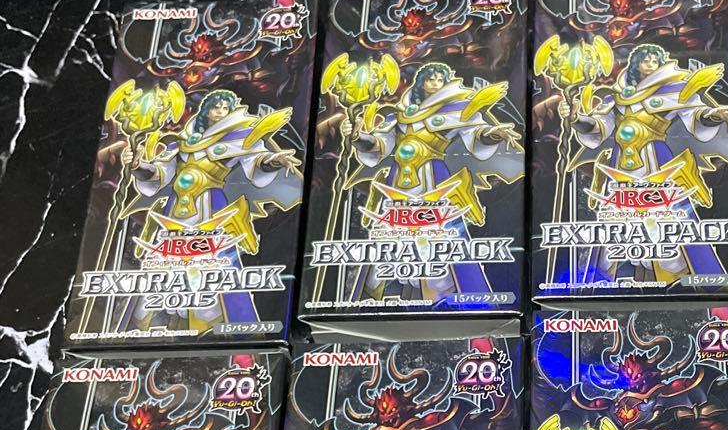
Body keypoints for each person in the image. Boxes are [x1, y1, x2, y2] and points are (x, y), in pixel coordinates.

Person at [558, 43, 728, 285]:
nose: (650, 64)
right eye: (645, 60)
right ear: (635, 65)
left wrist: (713, 116)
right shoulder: (617, 95)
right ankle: (607, 284)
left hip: (657, 163)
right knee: (614, 227)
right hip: (620, 167)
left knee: (668, 225)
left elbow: (695, 115)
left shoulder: (674, 90)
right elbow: (598, 128)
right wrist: (575, 119)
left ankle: (677, 283)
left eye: (654, 60)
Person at [120, 88, 302, 332]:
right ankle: (154, 323)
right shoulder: (183, 141)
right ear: (206, 110)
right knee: (163, 264)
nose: (221, 112)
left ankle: (214, 325)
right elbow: (159, 175)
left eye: (226, 108)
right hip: (175, 210)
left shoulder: (236, 138)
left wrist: (274, 161)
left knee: (213, 265)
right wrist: (137, 166)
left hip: (210, 208)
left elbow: (256, 161)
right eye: (217, 107)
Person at [340, 62, 522, 303]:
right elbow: (378, 145)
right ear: (421, 83)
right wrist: (357, 137)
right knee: (388, 237)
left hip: (433, 180)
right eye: (430, 79)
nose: (435, 84)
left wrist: (493, 134)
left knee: (439, 238)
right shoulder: (401, 112)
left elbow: (476, 134)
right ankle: (379, 296)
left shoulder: (455, 110)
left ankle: (444, 298)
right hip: (397, 182)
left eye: (440, 80)